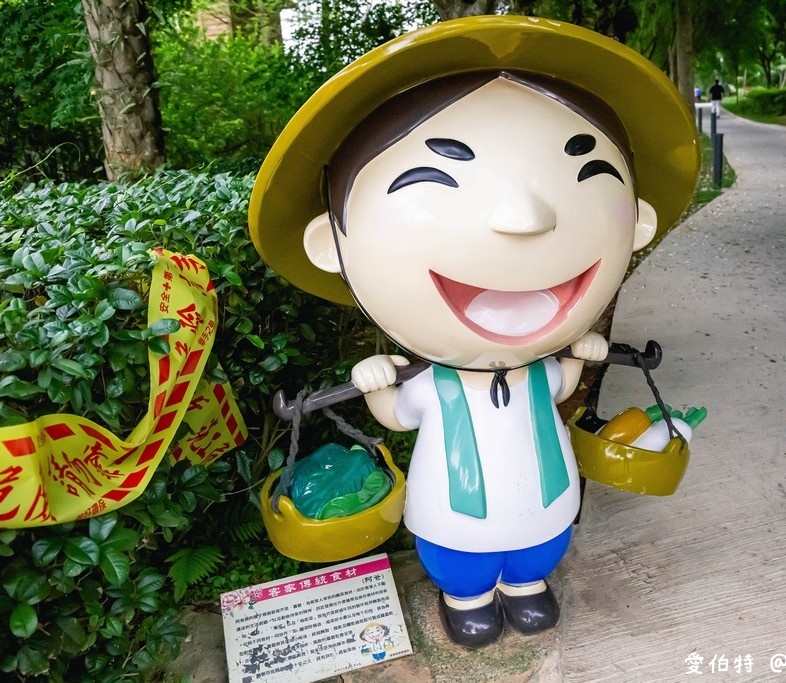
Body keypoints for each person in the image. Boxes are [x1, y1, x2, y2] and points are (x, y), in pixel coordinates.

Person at [248, 16, 698, 650]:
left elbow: (562, 379)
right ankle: (466, 594)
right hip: (453, 515)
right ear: (332, 244)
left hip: (546, 503)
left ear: (637, 225)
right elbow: (399, 418)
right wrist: (374, 383)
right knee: (460, 562)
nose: (524, 217)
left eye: (583, 175)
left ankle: (525, 584)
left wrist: (584, 354)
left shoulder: (539, 369)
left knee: (539, 547)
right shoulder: (435, 383)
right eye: (437, 181)